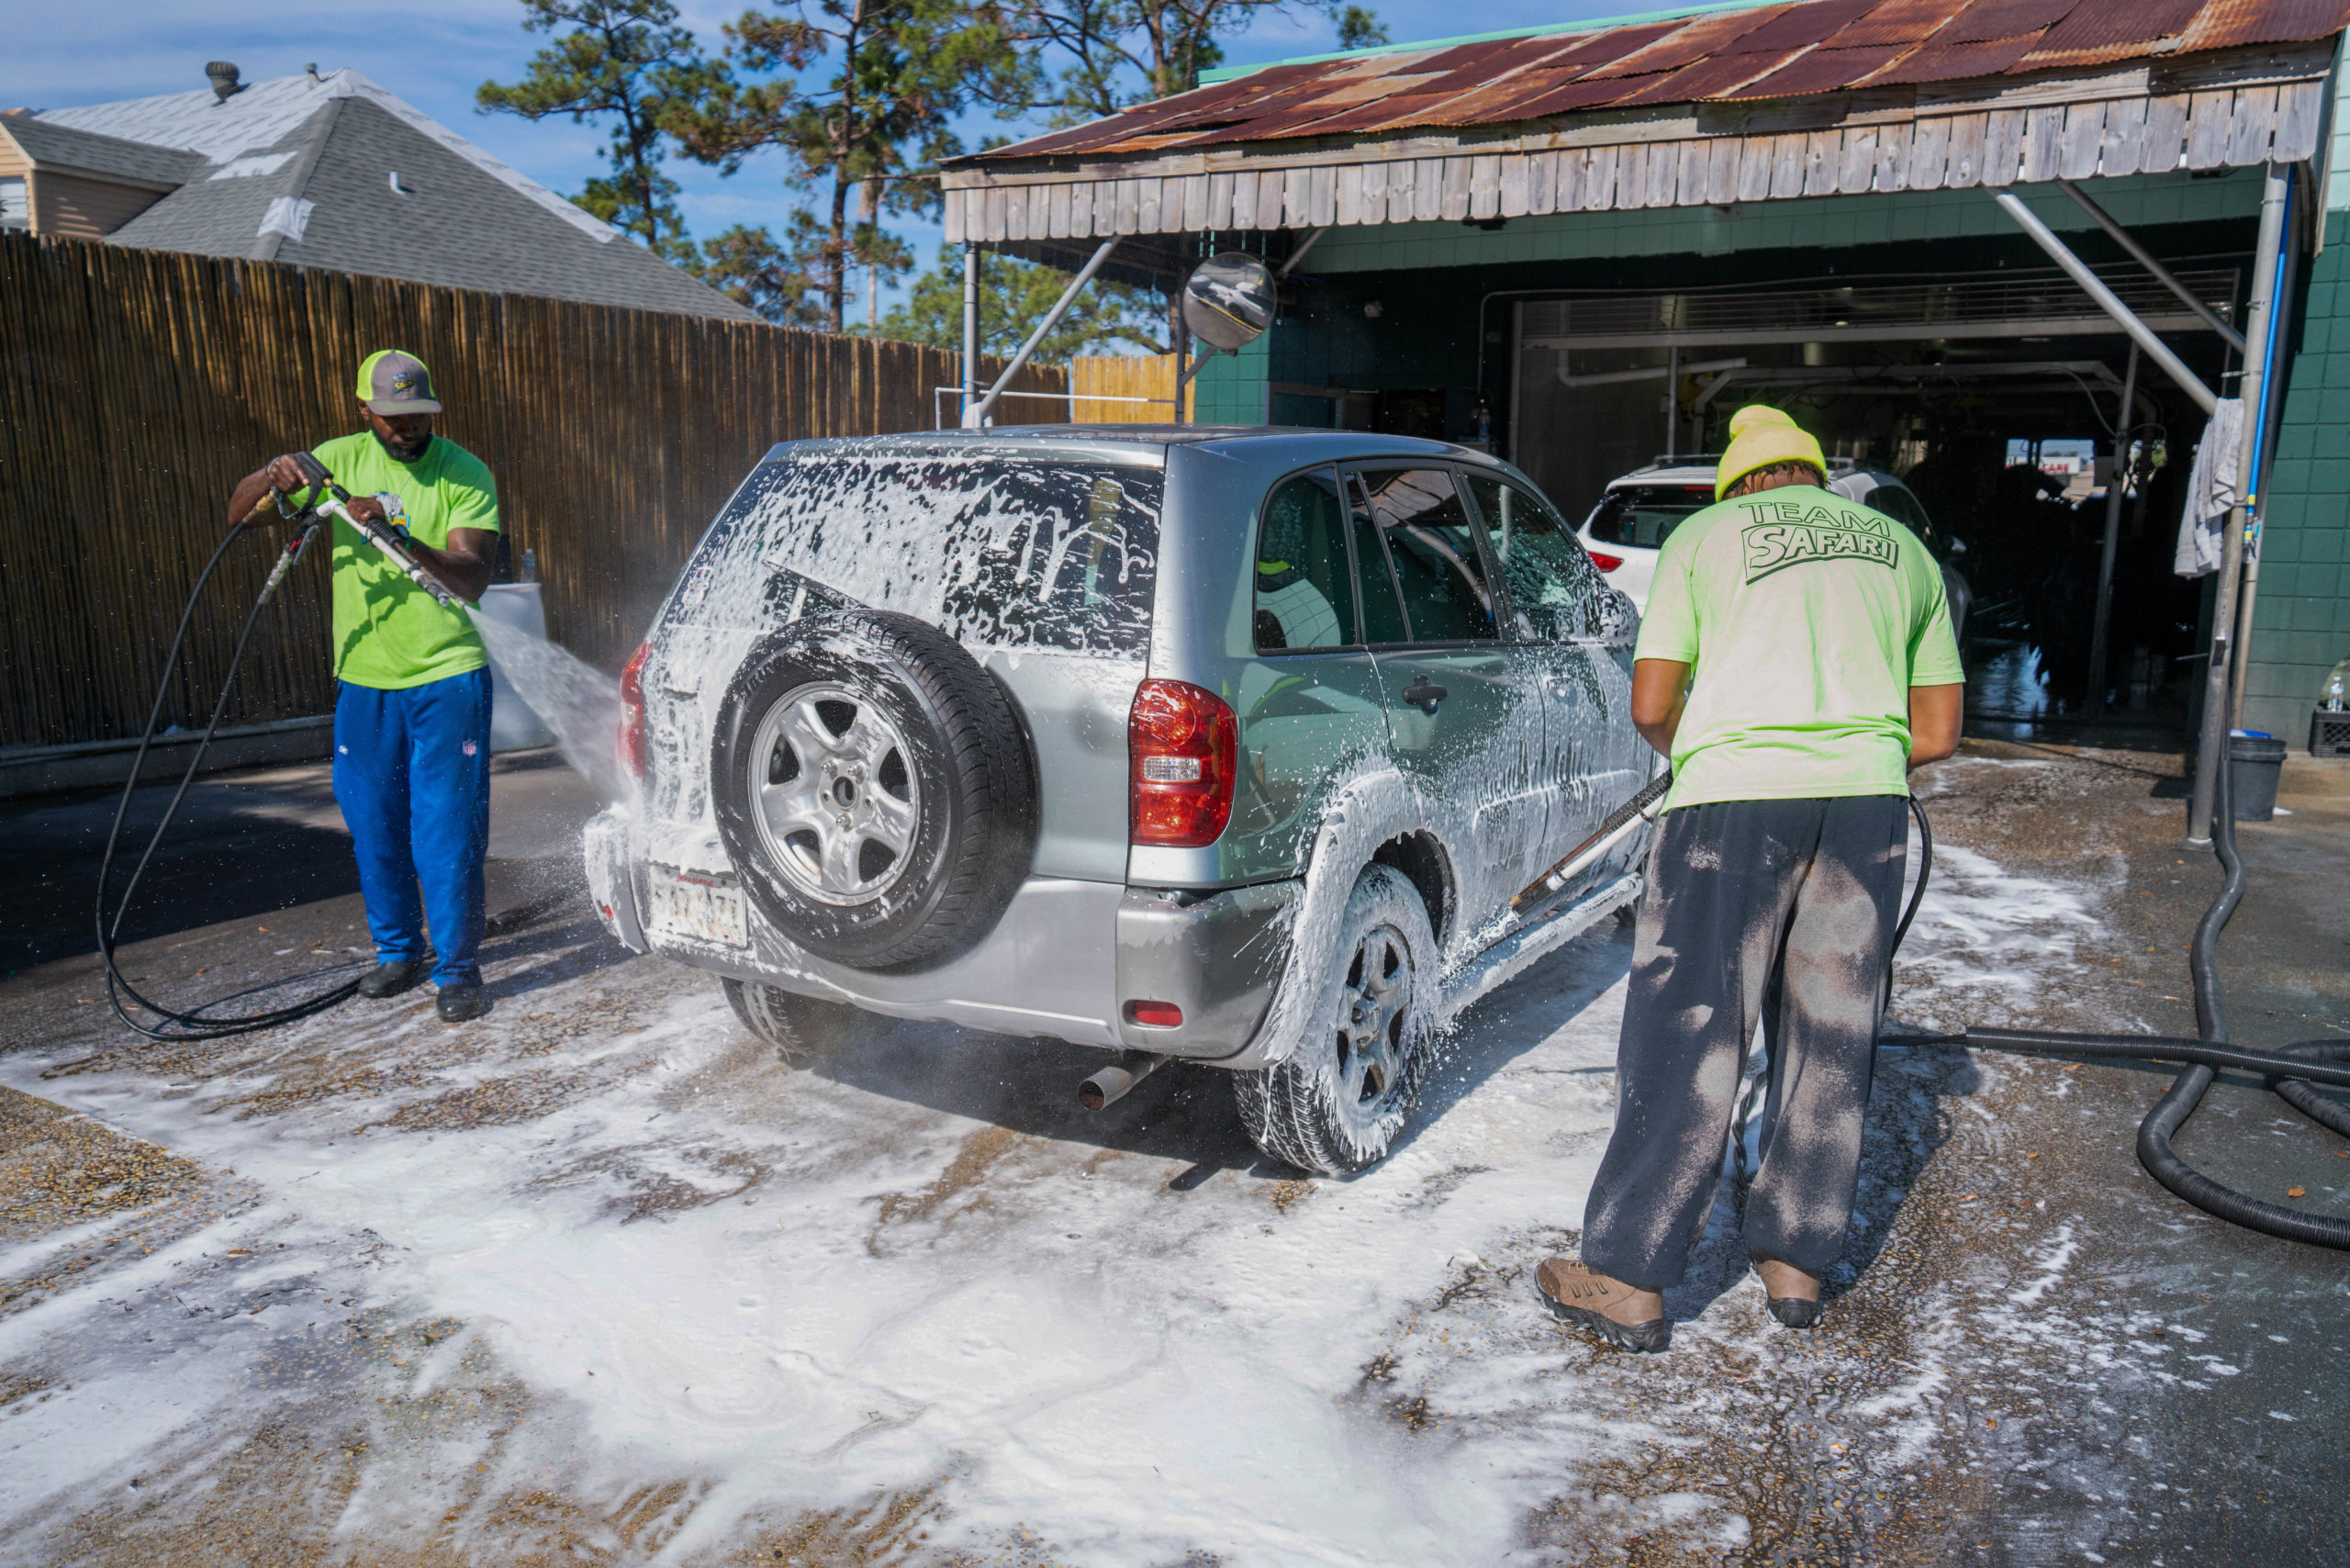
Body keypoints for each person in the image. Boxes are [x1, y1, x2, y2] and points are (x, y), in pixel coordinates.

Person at [1537, 405, 1965, 1352]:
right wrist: (1843, 748)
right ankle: (1795, 1261)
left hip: (1727, 804)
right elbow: (1935, 732)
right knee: (1831, 1029)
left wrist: (1716, 754)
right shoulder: (1902, 550)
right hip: (1865, 807)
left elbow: (1654, 703)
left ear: (1739, 485)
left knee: (1688, 1026)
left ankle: (1627, 1274)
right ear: (1818, 477)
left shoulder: (1704, 536)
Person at [227, 351, 501, 1023]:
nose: (407, 427)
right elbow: (241, 516)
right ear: (363, 411)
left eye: (417, 416)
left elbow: (470, 578)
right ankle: (397, 953)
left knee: (444, 829)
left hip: (447, 673)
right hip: (364, 679)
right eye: (392, 416)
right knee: (374, 823)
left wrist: (397, 531)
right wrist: (273, 473)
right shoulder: (336, 459)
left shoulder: (465, 473)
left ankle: (458, 970)